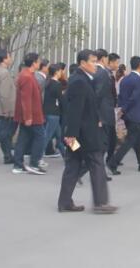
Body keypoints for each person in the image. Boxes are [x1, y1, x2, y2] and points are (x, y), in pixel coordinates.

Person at [58, 49, 117, 214]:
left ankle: (65, 202)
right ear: (83, 63)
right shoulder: (79, 82)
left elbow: (86, 107)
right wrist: (71, 135)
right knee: (96, 163)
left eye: (96, 61)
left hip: (78, 133)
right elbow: (74, 111)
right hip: (83, 135)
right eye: (92, 62)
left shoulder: (83, 79)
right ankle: (101, 203)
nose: (96, 65)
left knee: (73, 165)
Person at [107, 56, 140, 175]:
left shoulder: (126, 79)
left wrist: (123, 109)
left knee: (138, 140)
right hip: (136, 114)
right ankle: (113, 162)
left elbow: (121, 96)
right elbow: (134, 98)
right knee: (130, 141)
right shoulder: (138, 80)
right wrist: (124, 109)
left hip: (128, 114)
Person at [12, 53, 46, 175]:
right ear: (33, 63)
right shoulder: (27, 77)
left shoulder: (27, 75)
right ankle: (34, 163)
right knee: (40, 137)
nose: (39, 63)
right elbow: (26, 99)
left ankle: (18, 164)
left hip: (30, 114)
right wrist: (28, 117)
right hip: (32, 115)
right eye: (38, 61)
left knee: (23, 138)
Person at [93, 49, 117, 164]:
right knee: (104, 142)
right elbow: (98, 95)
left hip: (101, 113)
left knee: (104, 142)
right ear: (103, 58)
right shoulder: (102, 73)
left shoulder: (95, 71)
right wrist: (98, 116)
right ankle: (84, 167)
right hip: (103, 113)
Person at [43, 64, 65, 158]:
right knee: (47, 136)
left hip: (48, 112)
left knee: (60, 136)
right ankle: (37, 156)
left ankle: (66, 155)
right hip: (55, 113)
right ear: (56, 72)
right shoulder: (57, 84)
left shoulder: (48, 83)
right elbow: (61, 100)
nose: (61, 73)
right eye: (60, 71)